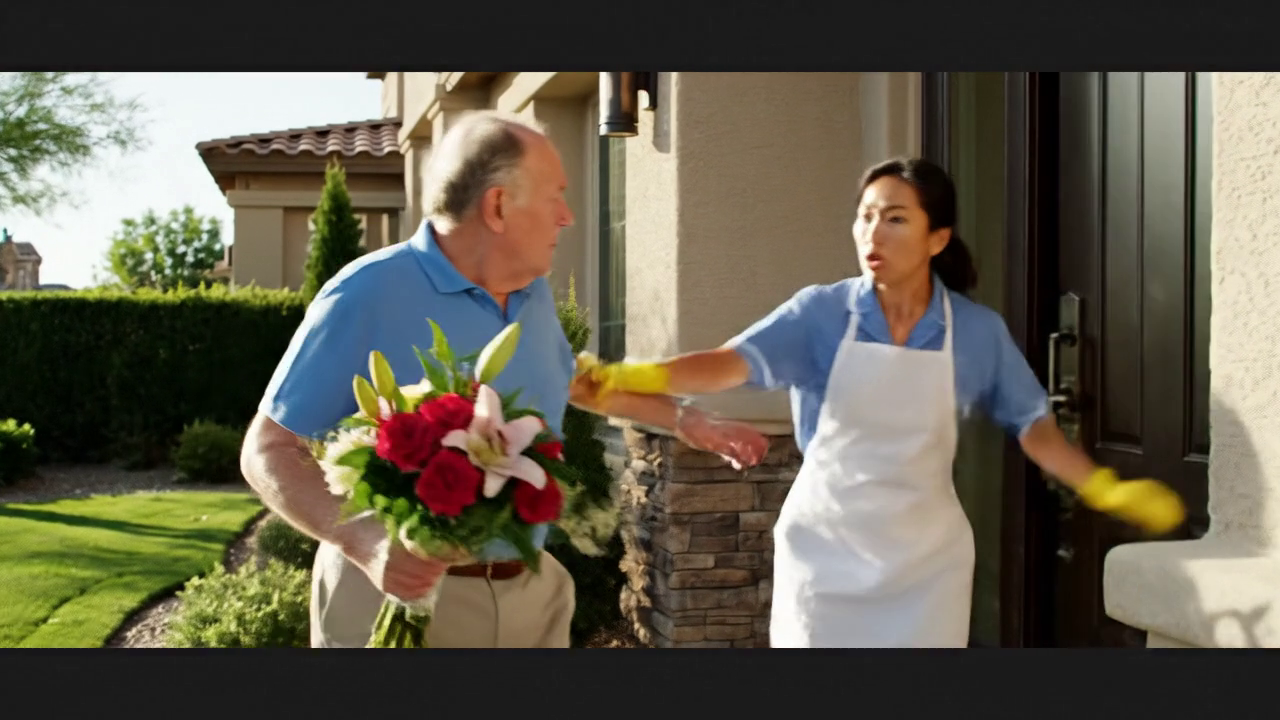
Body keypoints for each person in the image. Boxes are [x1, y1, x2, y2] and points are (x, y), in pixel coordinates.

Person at [571, 157, 1186, 648]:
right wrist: (635, 374)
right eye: (865, 216)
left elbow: (1036, 429)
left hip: (928, 566)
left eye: (895, 218)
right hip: (825, 556)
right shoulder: (820, 313)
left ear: (937, 237)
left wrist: (1102, 487)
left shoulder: (975, 332)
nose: (873, 232)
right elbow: (723, 366)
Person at [240, 110, 764, 648]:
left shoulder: (531, 295)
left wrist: (686, 418)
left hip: (530, 597)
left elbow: (576, 381)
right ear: (497, 206)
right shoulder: (367, 293)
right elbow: (268, 448)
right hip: (395, 602)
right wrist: (365, 542)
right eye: (554, 195)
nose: (568, 217)